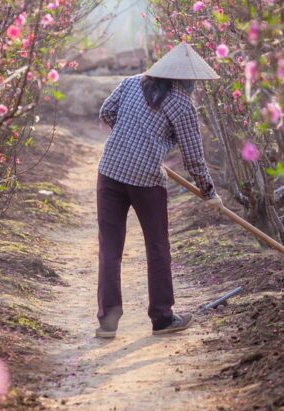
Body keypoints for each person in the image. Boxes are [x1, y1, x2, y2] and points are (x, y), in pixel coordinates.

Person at [95, 42, 224, 339]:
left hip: (109, 171)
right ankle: (163, 318)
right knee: (157, 247)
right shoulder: (182, 104)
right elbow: (193, 156)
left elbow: (106, 111)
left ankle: (107, 321)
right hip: (145, 180)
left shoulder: (129, 83)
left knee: (110, 249)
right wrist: (208, 192)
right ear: (185, 79)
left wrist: (130, 141)